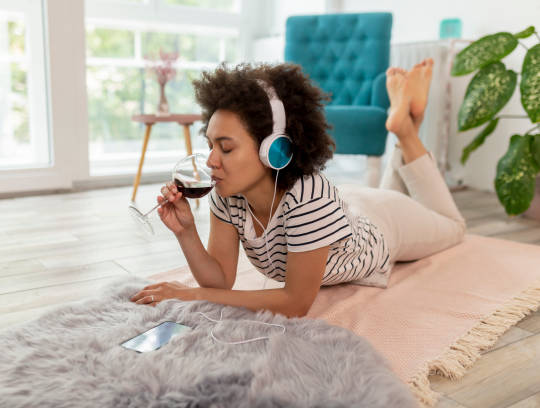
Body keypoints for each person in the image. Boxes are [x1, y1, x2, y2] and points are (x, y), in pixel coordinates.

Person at [130, 59, 466, 317]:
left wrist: (192, 294)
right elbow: (220, 281)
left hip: (384, 227)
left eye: (226, 147)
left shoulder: (309, 196)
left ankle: (406, 133)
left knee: (454, 228)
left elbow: (295, 303)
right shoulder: (227, 195)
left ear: (273, 150)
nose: (212, 161)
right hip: (349, 205)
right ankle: (406, 127)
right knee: (390, 195)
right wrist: (186, 233)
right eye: (211, 145)